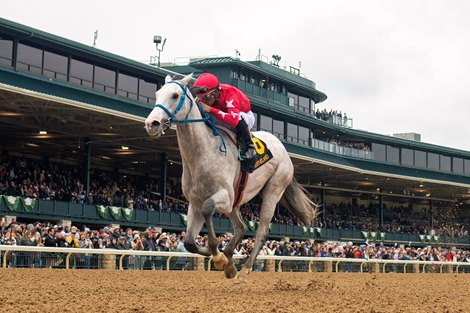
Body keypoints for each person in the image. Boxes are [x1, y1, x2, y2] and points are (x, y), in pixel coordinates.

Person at [192, 73, 256, 172]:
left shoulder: (231, 94)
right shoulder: (205, 97)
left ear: (215, 92)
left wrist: (211, 109)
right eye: (200, 97)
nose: (202, 100)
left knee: (237, 117)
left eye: (205, 97)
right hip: (224, 114)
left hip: (243, 115)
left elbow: (233, 120)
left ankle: (250, 147)